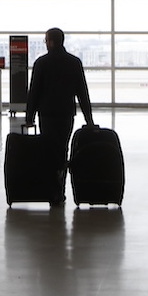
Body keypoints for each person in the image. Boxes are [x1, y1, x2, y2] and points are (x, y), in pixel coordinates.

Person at [24, 27, 94, 205]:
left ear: (52, 42)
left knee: (48, 150)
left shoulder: (42, 63)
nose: (45, 43)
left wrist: (29, 116)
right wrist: (89, 120)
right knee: (62, 150)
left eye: (46, 40)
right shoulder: (74, 62)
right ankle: (60, 189)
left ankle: (52, 191)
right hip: (65, 115)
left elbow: (34, 92)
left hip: (47, 115)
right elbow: (82, 93)